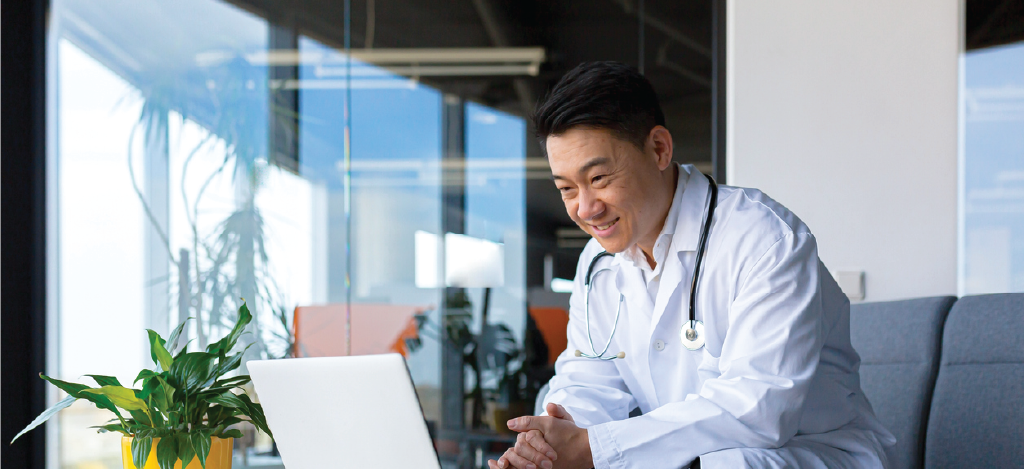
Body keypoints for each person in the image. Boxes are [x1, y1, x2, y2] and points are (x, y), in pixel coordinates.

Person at [488, 62, 895, 469]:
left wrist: (596, 449)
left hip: (811, 454)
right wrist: (554, 439)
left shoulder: (764, 240)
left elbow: (759, 409)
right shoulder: (598, 263)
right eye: (566, 189)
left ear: (659, 149)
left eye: (598, 178)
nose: (585, 208)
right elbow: (588, 381)